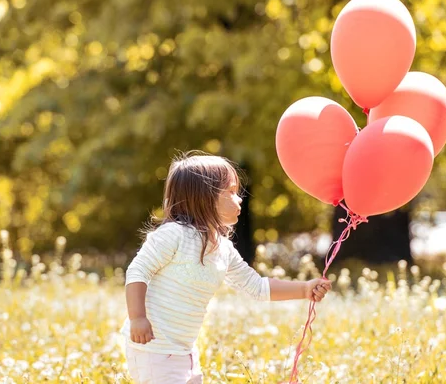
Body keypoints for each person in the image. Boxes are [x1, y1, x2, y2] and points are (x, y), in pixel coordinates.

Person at [120, 152, 331, 383]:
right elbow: (138, 271)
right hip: (153, 348)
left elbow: (257, 287)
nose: (239, 198)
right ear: (204, 196)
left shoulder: (222, 248)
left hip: (185, 350)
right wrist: (137, 318)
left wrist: (304, 289)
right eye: (230, 191)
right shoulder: (173, 235)